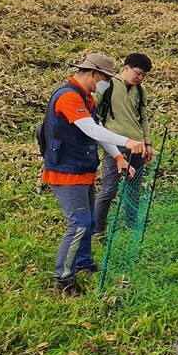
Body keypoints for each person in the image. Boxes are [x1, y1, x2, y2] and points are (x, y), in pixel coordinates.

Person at [41, 53, 145, 294]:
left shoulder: (85, 98)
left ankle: (83, 264)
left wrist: (118, 156)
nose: (107, 83)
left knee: (86, 222)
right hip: (66, 172)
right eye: (105, 78)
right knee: (79, 224)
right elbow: (88, 128)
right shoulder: (67, 97)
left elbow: (96, 130)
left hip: (82, 169)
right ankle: (63, 279)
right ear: (92, 74)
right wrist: (126, 142)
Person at [94, 53, 154, 237]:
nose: (140, 78)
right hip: (115, 144)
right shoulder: (108, 85)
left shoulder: (140, 91)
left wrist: (148, 143)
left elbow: (142, 118)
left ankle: (131, 222)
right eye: (138, 73)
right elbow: (92, 109)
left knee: (134, 187)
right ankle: (97, 228)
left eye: (144, 75)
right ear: (126, 68)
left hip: (138, 145)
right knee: (109, 189)